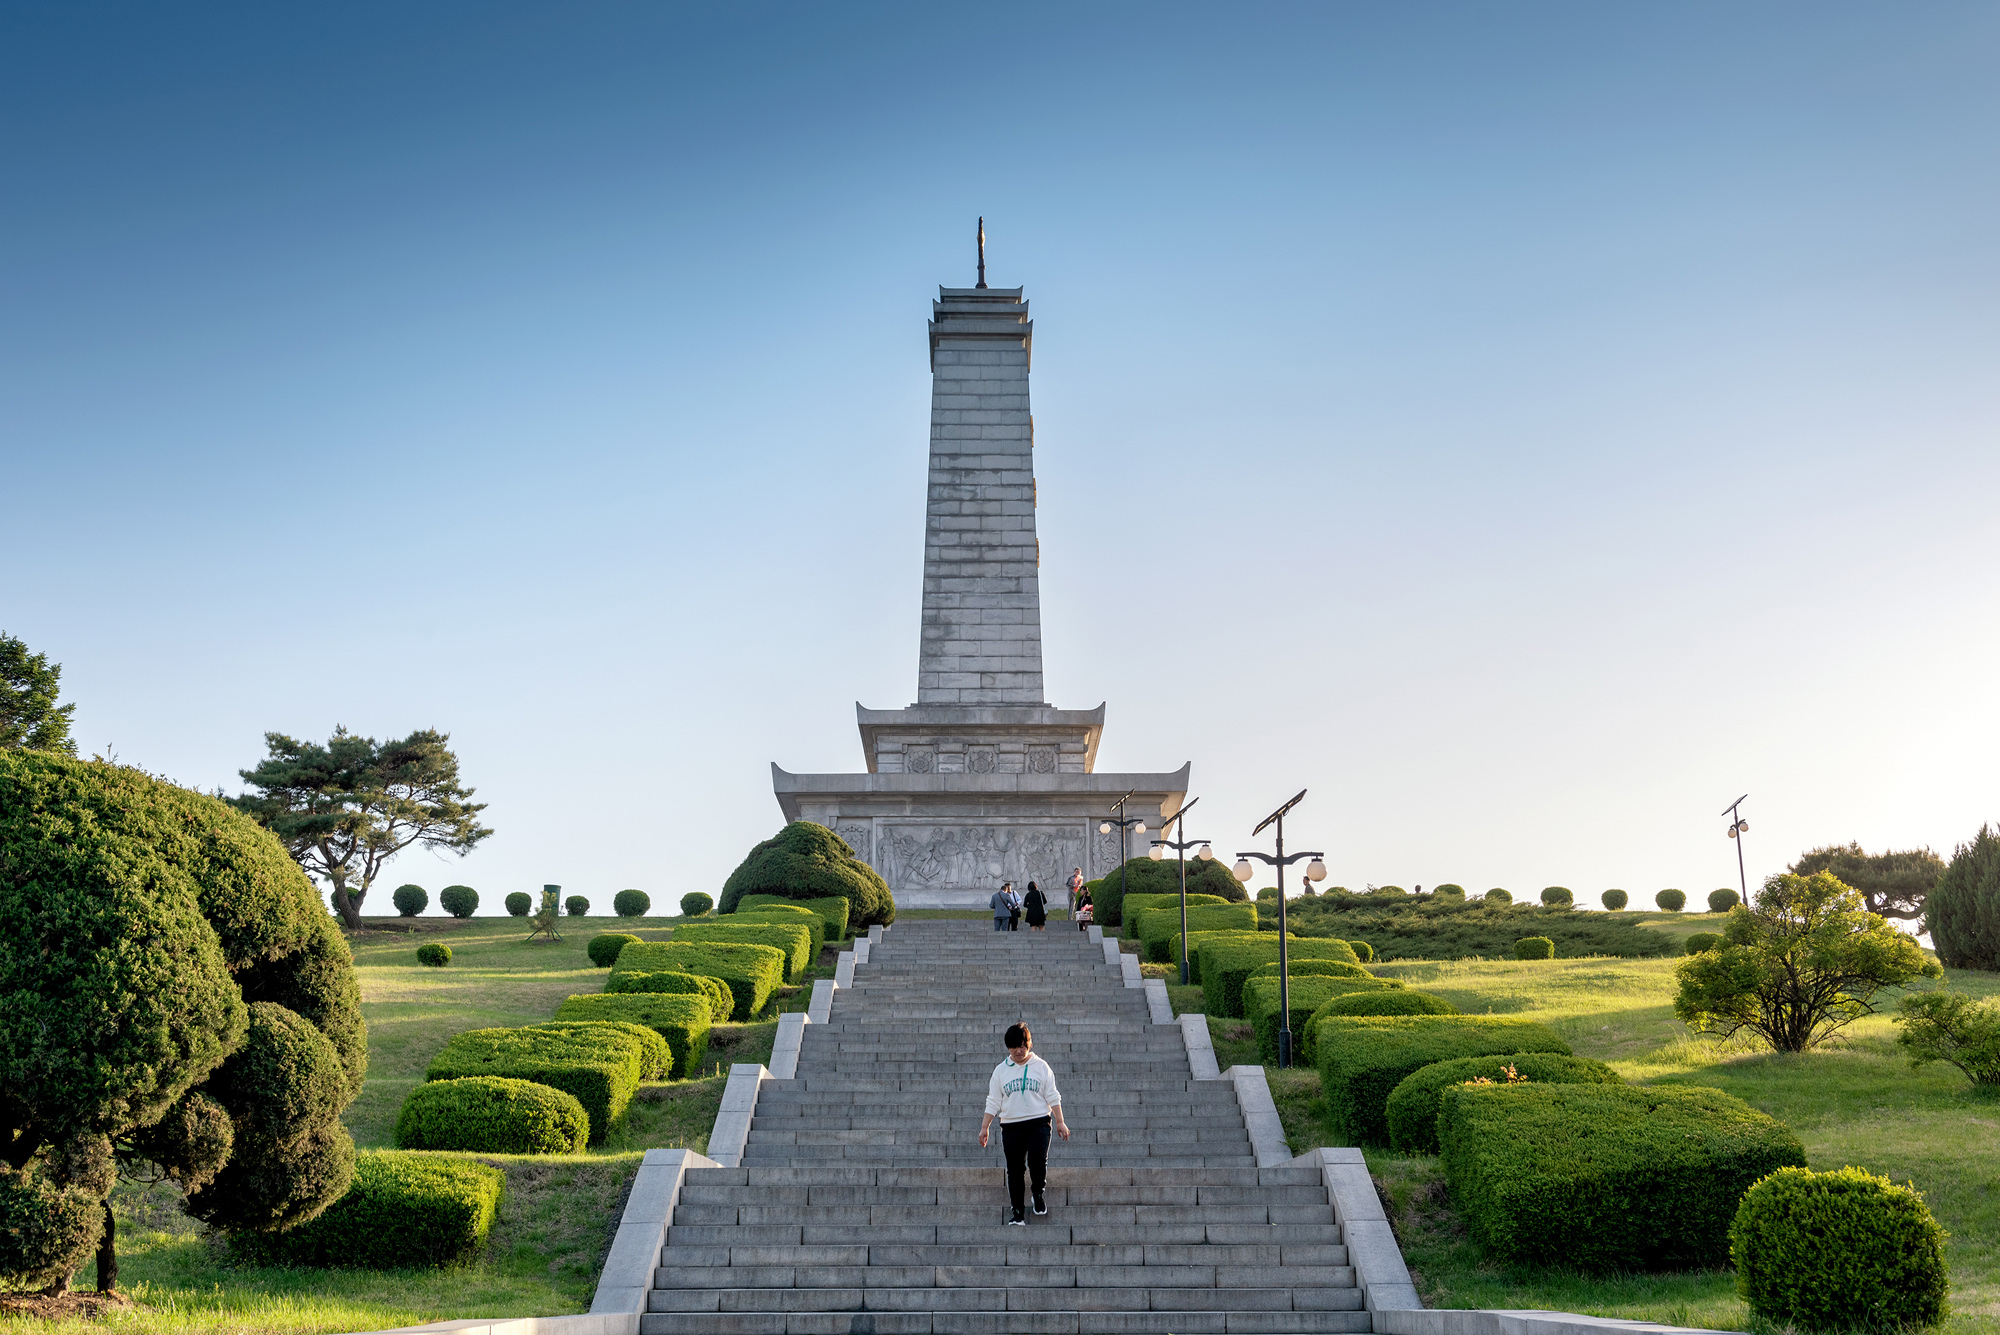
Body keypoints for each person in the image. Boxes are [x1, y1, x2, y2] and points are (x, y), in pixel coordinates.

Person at [977, 1021, 1070, 1224]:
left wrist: (1060, 1121)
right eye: (1014, 1047)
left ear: (1029, 1045)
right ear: (1008, 1048)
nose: (1019, 1051)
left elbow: (1053, 1095)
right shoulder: (1001, 1071)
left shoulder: (1041, 1067)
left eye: (1022, 1046)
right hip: (1011, 1126)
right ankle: (1017, 1211)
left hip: (1039, 1123)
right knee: (1015, 1169)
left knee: (1037, 1162)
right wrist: (985, 1127)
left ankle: (1037, 1193)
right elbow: (993, 1100)